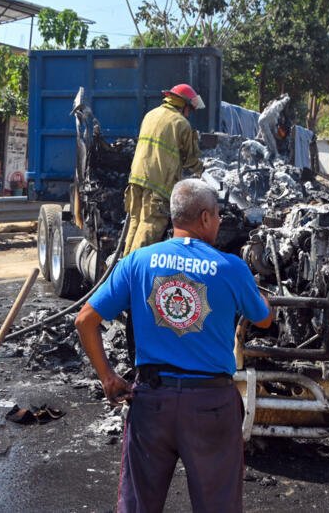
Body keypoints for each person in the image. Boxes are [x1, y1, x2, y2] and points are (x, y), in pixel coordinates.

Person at [75, 179, 272, 513]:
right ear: (205, 217)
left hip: (152, 402)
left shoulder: (137, 261)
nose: (220, 221)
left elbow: (85, 320)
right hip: (211, 405)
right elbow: (264, 320)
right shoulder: (230, 267)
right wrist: (261, 296)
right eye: (218, 215)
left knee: (138, 505)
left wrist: (108, 377)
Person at [123, 83, 204, 255]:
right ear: (183, 105)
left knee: (135, 222)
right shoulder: (181, 123)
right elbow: (190, 160)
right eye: (189, 109)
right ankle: (135, 268)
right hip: (158, 184)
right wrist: (203, 170)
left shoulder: (151, 114)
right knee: (150, 225)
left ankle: (123, 263)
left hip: (136, 178)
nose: (189, 113)